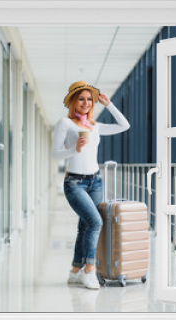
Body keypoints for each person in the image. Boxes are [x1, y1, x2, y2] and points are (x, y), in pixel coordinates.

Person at [52, 81, 130, 289]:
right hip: (74, 183)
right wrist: (74, 150)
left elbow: (124, 126)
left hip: (95, 181)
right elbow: (54, 154)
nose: (86, 102)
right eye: (81, 98)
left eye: (89, 99)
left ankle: (75, 271)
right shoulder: (65, 124)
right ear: (73, 102)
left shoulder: (94, 127)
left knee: (85, 225)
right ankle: (89, 270)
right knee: (96, 222)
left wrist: (109, 104)